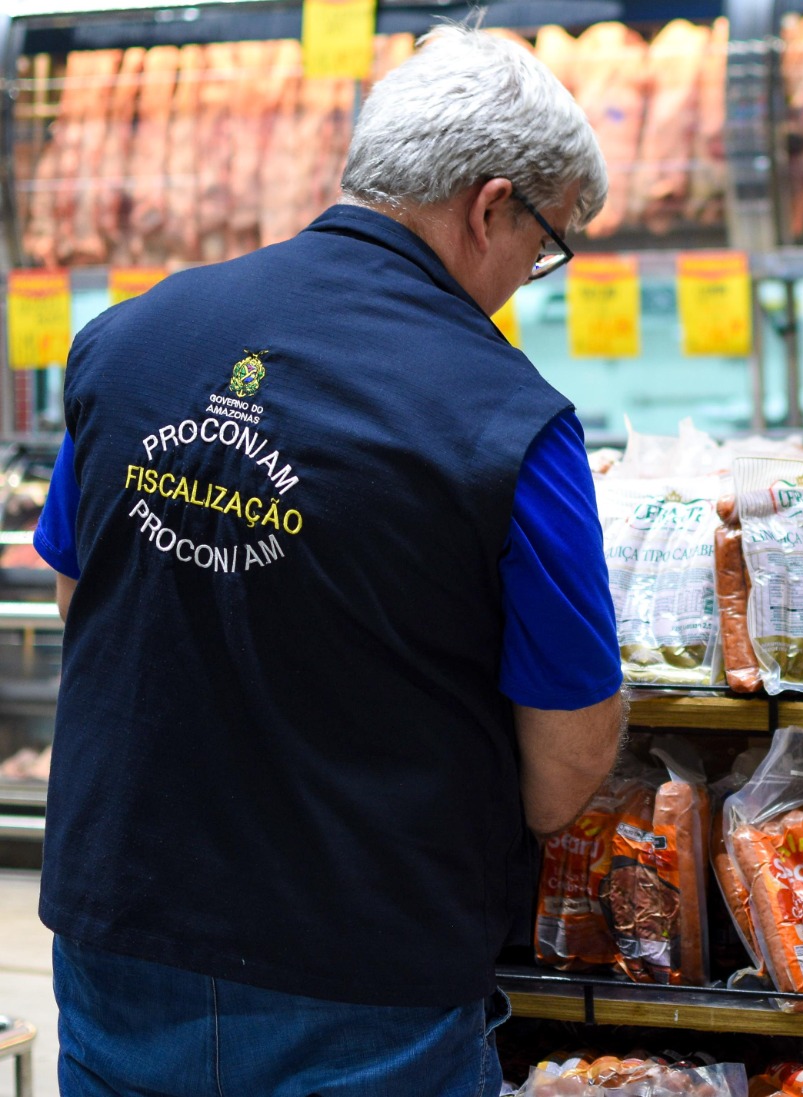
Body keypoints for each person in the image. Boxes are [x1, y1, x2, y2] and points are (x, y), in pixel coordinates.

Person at [32, 27, 623, 1096]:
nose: (530, 276)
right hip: (365, 969)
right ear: (490, 206)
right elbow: (566, 760)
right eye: (546, 245)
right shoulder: (508, 418)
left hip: (120, 935)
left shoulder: (129, 339)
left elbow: (85, 598)